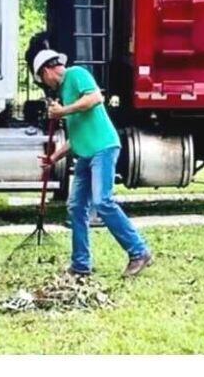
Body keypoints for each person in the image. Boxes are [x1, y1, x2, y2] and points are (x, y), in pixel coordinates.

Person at [34, 49, 154, 279]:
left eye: (43, 79)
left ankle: (139, 251)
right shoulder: (66, 94)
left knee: (102, 201)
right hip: (85, 154)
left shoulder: (76, 74)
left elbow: (95, 98)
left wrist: (62, 112)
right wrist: (53, 158)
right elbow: (76, 135)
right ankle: (80, 265)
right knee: (76, 207)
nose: (47, 85)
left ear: (48, 70)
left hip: (103, 148)